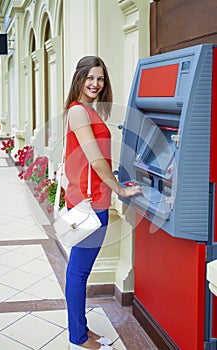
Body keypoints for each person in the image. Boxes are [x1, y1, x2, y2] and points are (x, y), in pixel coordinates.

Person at [64, 56, 142, 350]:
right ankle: (78, 338)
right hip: (89, 202)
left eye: (101, 79)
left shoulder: (87, 111)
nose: (96, 84)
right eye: (90, 78)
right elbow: (96, 160)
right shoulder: (78, 112)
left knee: (79, 270)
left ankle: (81, 329)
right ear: (79, 79)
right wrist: (119, 190)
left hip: (93, 198)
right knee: (79, 271)